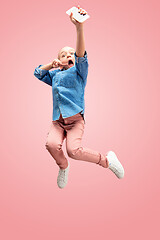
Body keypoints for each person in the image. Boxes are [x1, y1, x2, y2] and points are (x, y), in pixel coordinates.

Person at [34, 5, 124, 189]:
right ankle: (63, 167)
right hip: (57, 121)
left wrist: (79, 27)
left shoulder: (79, 72)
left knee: (73, 151)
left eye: (70, 54)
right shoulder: (55, 75)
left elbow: (81, 55)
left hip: (75, 120)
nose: (67, 55)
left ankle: (107, 161)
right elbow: (37, 73)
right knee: (51, 145)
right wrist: (51, 64)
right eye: (62, 54)